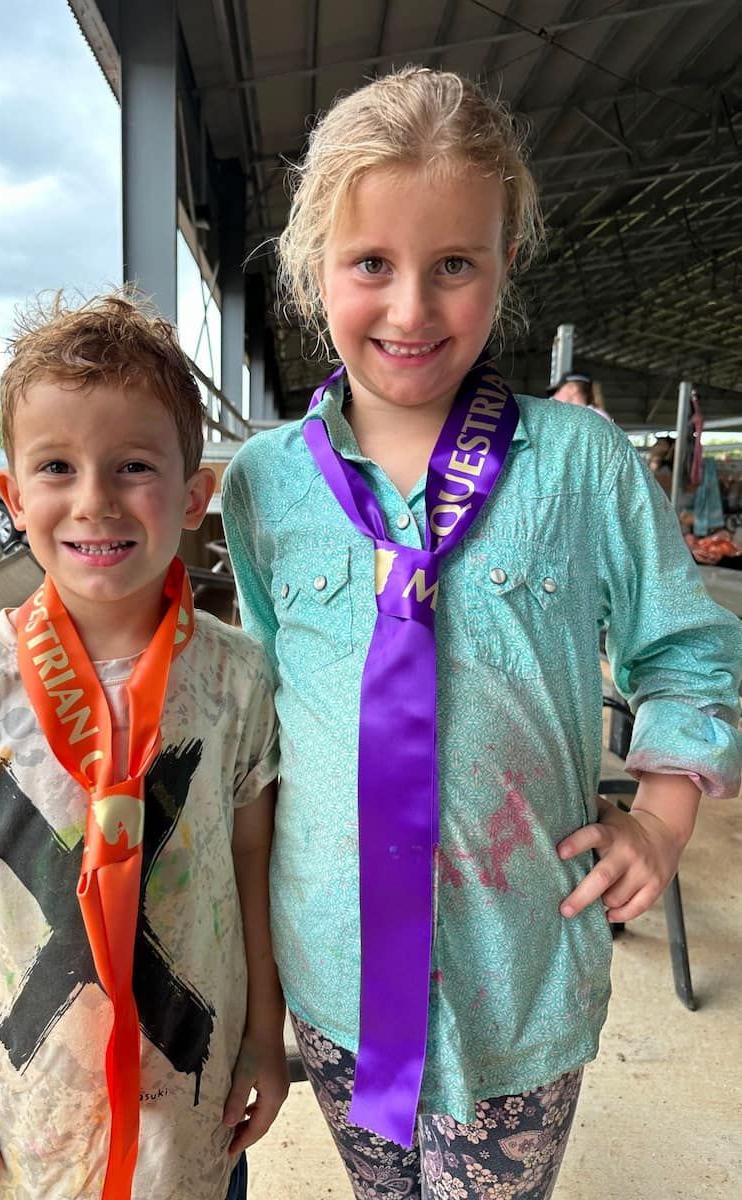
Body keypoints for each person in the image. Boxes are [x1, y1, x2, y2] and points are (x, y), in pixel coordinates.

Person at [221, 68, 742, 1199]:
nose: (411, 310)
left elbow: (687, 652)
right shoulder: (263, 488)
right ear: (318, 273)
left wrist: (660, 817)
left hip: (517, 977)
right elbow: (263, 704)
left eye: (454, 264)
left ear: (504, 267)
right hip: (335, 975)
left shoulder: (583, 465)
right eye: (372, 265)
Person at [0, 292, 288, 1200]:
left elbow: (252, 863)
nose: (94, 501)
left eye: (134, 465)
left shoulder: (236, 679)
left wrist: (265, 1036)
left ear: (194, 495)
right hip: (36, 1130)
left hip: (197, 1109)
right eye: (57, 466)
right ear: (15, 497)